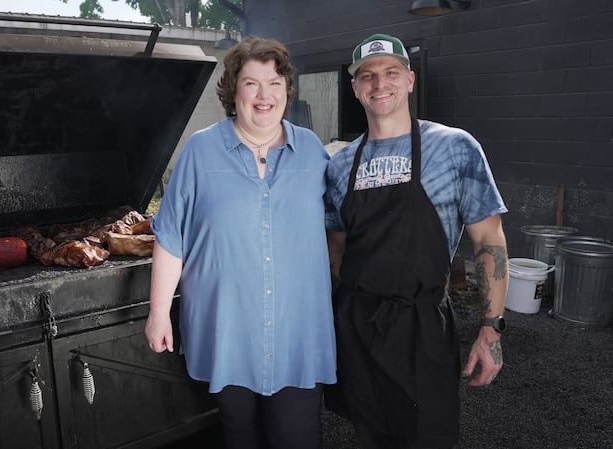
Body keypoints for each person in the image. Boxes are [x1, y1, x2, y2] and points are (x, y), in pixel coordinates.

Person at [144, 36, 336, 449]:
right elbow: (171, 236)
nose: (264, 95)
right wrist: (159, 313)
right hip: (226, 331)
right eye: (251, 83)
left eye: (274, 83)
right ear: (233, 91)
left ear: (287, 90)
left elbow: (339, 227)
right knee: (238, 438)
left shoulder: (312, 152)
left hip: (297, 333)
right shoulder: (200, 151)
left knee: (297, 439)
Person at [324, 33, 509, 449]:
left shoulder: (454, 148)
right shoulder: (338, 164)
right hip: (357, 327)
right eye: (367, 76)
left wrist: (490, 330)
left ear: (409, 80)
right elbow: (336, 248)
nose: (379, 84)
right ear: (355, 88)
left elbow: (489, 239)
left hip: (421, 328)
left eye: (391, 72)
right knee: (368, 433)